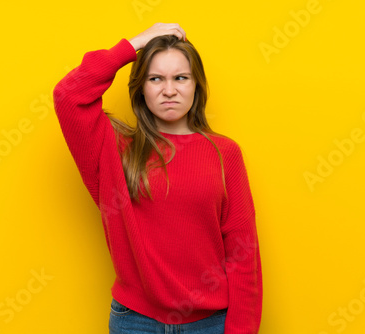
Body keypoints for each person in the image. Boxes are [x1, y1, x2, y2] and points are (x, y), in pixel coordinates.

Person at [53, 23, 262, 334]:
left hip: (210, 323)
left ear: (196, 85)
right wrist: (134, 44)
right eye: (155, 78)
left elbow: (243, 252)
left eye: (180, 77)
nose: (169, 90)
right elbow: (69, 95)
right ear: (141, 88)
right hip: (134, 321)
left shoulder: (224, 153)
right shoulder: (114, 149)